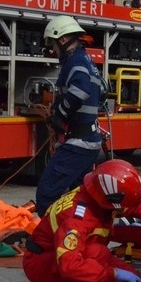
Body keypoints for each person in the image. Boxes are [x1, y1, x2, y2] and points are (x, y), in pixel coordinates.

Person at [36, 16, 107, 216]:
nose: (53, 50)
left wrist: (60, 114)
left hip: (78, 143)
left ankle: (47, 241)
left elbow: (81, 89)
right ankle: (75, 235)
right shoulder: (87, 60)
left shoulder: (74, 61)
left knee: (46, 194)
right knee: (78, 197)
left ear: (63, 40)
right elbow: (100, 91)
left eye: (53, 44)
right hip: (87, 142)